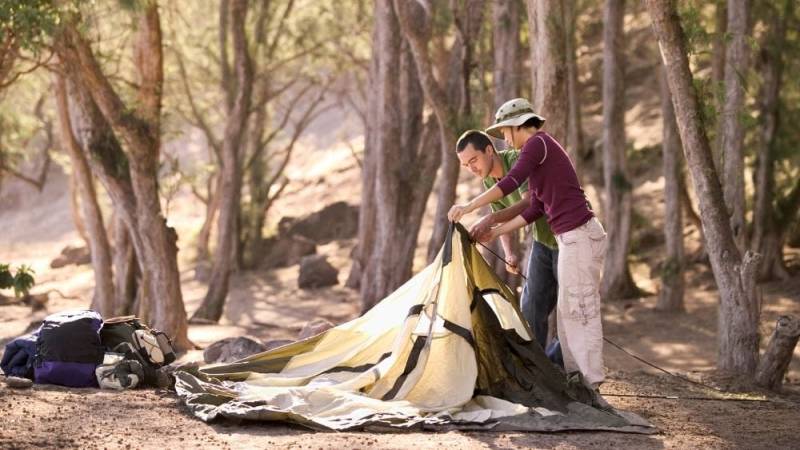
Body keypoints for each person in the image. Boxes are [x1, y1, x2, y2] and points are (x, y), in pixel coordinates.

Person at [448, 98, 607, 389]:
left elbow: (511, 184)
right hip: (568, 237)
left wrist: (470, 207)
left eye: (505, 132)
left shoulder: (536, 144)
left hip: (579, 236)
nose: (505, 139)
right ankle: (574, 380)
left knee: (580, 311)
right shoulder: (536, 155)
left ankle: (591, 383)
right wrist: (497, 233)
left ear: (517, 126)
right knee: (569, 313)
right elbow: (535, 208)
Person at [454, 129, 560, 353]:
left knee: (571, 311)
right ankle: (539, 368)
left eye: (474, 160)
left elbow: (529, 204)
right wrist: (509, 253)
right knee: (530, 308)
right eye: (466, 165)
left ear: (489, 150)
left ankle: (563, 365)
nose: (472, 168)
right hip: (541, 241)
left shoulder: (517, 162)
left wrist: (490, 219)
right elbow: (503, 215)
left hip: (564, 238)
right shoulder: (488, 182)